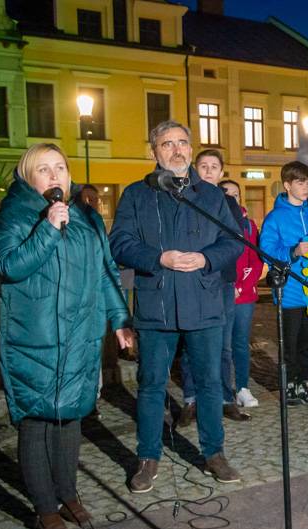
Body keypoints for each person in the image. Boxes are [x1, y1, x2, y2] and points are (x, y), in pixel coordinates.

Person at [0, 143, 133, 529]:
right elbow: (9, 266)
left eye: (60, 168)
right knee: (37, 420)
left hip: (80, 334)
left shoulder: (86, 217)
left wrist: (119, 319)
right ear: (27, 177)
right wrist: (48, 229)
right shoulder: (15, 216)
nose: (55, 176)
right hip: (34, 337)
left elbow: (105, 274)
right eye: (44, 170)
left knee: (71, 415)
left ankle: (67, 494)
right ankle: (44, 507)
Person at [110, 120, 243, 493]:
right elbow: (119, 242)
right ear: (153, 151)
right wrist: (158, 258)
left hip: (204, 301)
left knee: (210, 383)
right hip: (157, 305)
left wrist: (206, 259)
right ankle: (148, 457)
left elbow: (234, 241)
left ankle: (213, 453)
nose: (177, 150)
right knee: (152, 385)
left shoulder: (212, 195)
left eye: (183, 143)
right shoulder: (137, 194)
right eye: (167, 144)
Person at [177, 150, 251, 425]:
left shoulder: (228, 203)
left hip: (221, 281)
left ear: (221, 173)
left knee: (224, 344)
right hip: (191, 282)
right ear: (195, 170)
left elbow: (235, 242)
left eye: (214, 167)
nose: (208, 171)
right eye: (203, 166)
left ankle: (225, 398)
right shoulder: (184, 198)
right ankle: (191, 399)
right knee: (190, 345)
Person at [258, 161, 308, 405]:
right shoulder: (275, 218)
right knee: (290, 343)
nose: (306, 187)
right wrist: (294, 251)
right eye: (300, 182)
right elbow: (265, 251)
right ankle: (289, 385)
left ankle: (306, 384)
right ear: (287, 185)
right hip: (289, 291)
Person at [221, 178, 262, 408]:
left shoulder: (249, 225)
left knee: (240, 342)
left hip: (245, 295)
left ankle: (243, 387)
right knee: (223, 345)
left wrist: (242, 286)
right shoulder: (214, 222)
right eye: (226, 193)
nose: (231, 198)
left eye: (235, 194)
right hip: (222, 293)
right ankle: (224, 391)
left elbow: (256, 261)